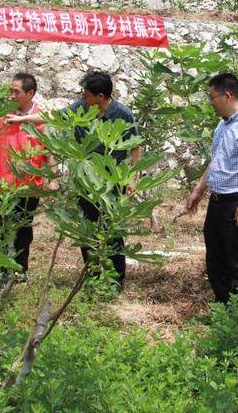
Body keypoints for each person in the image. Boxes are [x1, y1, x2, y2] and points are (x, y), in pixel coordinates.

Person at [7, 71, 141, 288]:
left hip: (111, 180)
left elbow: (135, 147)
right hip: (84, 179)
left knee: (111, 228)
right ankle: (92, 276)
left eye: (86, 95)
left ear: (100, 96)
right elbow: (53, 117)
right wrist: (22, 119)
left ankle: (116, 279)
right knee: (87, 227)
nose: (83, 98)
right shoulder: (81, 107)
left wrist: (132, 178)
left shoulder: (122, 113)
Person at [185, 73, 238, 303]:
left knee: (237, 261)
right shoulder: (223, 125)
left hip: (236, 201)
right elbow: (216, 161)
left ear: (228, 95)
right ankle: (223, 308)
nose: (210, 103)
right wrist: (199, 191)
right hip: (217, 201)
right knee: (216, 258)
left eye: (212, 97)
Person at [0, 72, 49, 280]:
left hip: (30, 185)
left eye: (16, 91)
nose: (11, 95)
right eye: (10, 90)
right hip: (2, 182)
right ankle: (3, 271)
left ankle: (21, 271)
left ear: (30, 93)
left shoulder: (40, 118)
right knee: (2, 227)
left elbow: (50, 150)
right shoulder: (1, 114)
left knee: (23, 228)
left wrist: (53, 179)